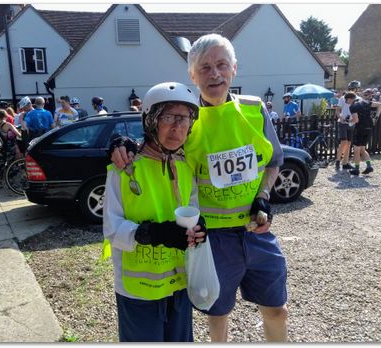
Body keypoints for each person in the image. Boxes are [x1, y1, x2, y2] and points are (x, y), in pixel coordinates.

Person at [110, 33, 287, 342]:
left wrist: (263, 197)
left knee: (277, 310)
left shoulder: (254, 109)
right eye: (204, 68)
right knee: (217, 315)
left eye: (221, 65)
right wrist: (125, 144)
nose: (214, 73)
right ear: (192, 75)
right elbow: (160, 145)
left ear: (234, 68)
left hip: (255, 231)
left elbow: (274, 160)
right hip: (213, 238)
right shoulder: (189, 118)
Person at [103, 82, 207, 342]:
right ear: (150, 121)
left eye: (184, 119)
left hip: (178, 283)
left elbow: (193, 208)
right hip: (139, 290)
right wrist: (153, 233)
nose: (177, 127)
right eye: (168, 117)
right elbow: (112, 230)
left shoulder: (184, 167)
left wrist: (198, 228)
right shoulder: (124, 168)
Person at [348, 88, 381, 176]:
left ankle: (356, 169)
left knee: (356, 150)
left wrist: (349, 121)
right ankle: (369, 166)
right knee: (363, 149)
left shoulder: (354, 106)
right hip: (369, 127)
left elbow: (355, 120)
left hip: (360, 128)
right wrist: (376, 117)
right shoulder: (368, 103)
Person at [0, 109, 21, 188]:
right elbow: (18, 134)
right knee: (11, 165)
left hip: (1, 148)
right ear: (6, 116)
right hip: (9, 148)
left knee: (1, 164)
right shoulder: (8, 125)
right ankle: (11, 182)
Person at [334, 92, 357, 170]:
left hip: (351, 123)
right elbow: (337, 110)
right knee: (344, 142)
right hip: (343, 123)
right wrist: (340, 118)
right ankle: (337, 160)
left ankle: (345, 163)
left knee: (349, 143)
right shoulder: (342, 99)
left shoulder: (356, 101)